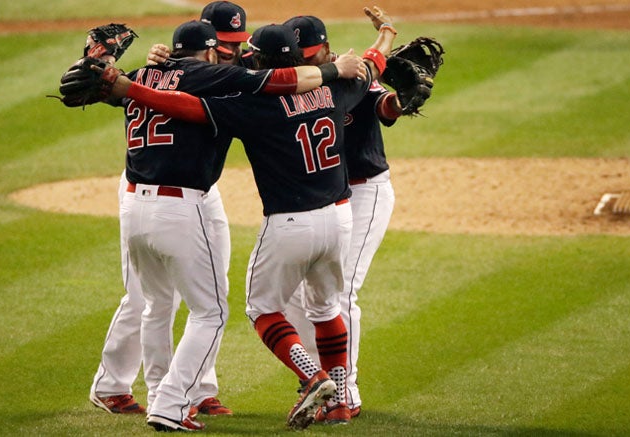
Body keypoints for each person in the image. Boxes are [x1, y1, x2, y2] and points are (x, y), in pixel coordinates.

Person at [97, 7, 395, 429]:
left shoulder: (255, 109)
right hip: (340, 218)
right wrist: (385, 37)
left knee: (262, 311)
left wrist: (130, 85)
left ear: (260, 59)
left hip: (289, 226)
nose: (240, 57)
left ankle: (313, 376)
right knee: (327, 308)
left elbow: (182, 107)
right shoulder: (335, 92)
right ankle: (342, 399)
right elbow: (368, 68)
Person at [90, 0, 255, 418]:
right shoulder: (209, 69)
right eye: (226, 43)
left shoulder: (188, 64)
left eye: (239, 41)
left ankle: (195, 389)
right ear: (208, 41)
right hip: (156, 190)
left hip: (193, 190)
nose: (234, 49)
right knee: (149, 298)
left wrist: (147, 71)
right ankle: (126, 386)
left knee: (206, 293)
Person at [281, 14, 404, 423]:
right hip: (327, 200)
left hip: (365, 191)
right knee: (302, 296)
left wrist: (397, 99)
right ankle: (319, 382)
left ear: (325, 48)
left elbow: (383, 102)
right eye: (300, 55)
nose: (307, 60)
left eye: (312, 53)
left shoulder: (352, 75)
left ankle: (346, 392)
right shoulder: (290, 78)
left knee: (341, 291)